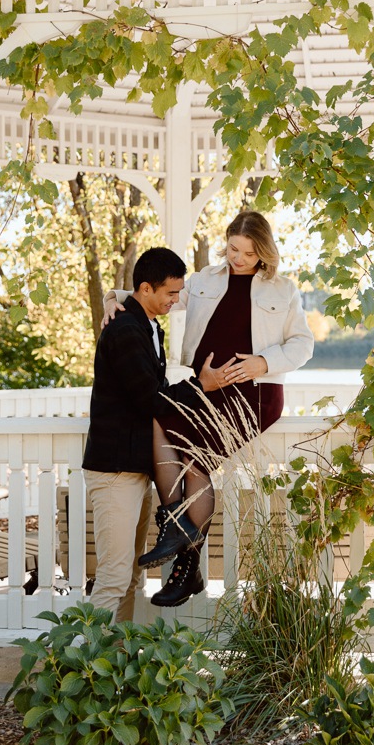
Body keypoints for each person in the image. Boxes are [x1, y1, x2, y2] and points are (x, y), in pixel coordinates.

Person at [102, 210, 314, 607]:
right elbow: (156, 295)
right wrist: (114, 298)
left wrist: (263, 363)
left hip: (255, 395)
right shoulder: (202, 281)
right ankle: (182, 544)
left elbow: (303, 345)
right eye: (234, 248)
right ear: (227, 241)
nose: (238, 259)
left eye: (249, 254)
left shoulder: (283, 290)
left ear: (263, 253)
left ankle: (182, 553)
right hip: (206, 389)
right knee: (161, 422)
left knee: (195, 461)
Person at [81, 246, 228, 622]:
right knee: (114, 578)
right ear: (145, 289)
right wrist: (201, 386)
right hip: (114, 471)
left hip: (135, 467)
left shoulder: (145, 324)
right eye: (170, 293)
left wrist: (116, 296)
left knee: (130, 578)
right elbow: (150, 398)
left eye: (179, 292)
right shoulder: (126, 330)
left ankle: (114, 663)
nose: (176, 301)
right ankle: (84, 666)